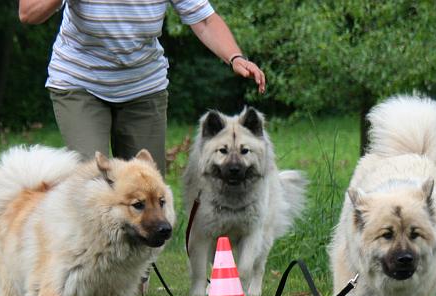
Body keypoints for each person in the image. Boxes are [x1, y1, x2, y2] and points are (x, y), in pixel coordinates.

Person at [18, 0, 266, 174]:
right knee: (91, 177)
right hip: (80, 81)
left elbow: (204, 20)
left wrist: (235, 57)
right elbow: (28, 12)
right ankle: (92, 248)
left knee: (146, 183)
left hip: (143, 86)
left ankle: (139, 250)